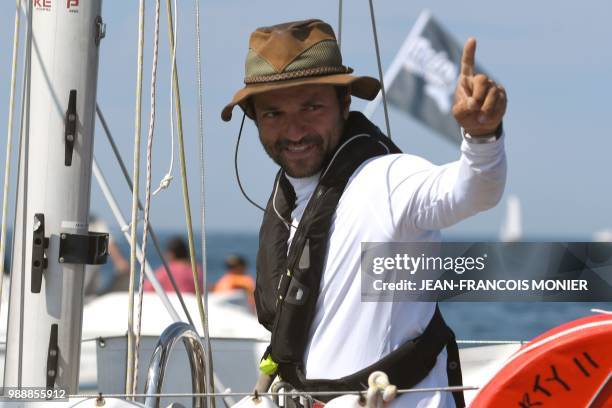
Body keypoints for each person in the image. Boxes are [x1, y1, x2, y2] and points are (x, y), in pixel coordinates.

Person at [221, 19, 507, 407]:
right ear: (253, 118)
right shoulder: (288, 200)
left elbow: (470, 192)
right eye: (274, 114)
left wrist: (482, 138)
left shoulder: (387, 179)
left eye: (311, 107)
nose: (294, 129)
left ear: (344, 104)